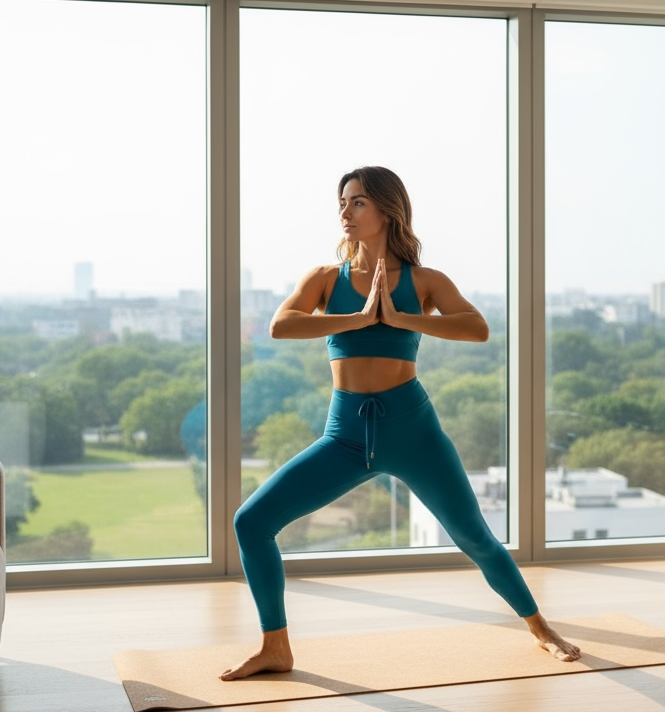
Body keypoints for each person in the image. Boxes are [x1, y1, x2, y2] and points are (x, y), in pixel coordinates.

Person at [221, 166, 580, 680]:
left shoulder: (424, 281)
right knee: (251, 522)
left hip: (413, 429)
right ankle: (275, 646)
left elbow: (476, 328)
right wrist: (360, 318)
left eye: (358, 202)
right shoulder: (326, 279)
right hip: (345, 433)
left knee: (475, 537)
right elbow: (282, 325)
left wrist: (401, 317)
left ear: (389, 209)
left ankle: (542, 629)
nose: (345, 212)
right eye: (342, 202)